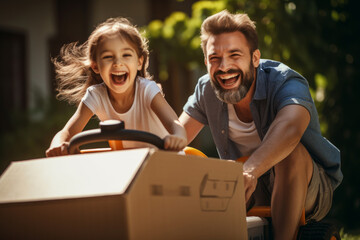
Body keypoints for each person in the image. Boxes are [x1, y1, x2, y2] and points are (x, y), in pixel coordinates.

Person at [179, 10, 342, 240]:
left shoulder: (285, 81)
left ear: (255, 58)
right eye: (215, 58)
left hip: (306, 185)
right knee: (181, 155)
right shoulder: (206, 88)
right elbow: (175, 137)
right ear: (206, 61)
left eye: (235, 55)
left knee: (290, 152)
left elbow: (291, 129)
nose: (224, 66)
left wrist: (249, 172)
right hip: (245, 187)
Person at [46, 17, 187, 157]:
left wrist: (178, 137)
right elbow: (67, 132)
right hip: (131, 164)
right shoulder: (96, 95)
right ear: (95, 66)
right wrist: (57, 144)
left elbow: (174, 123)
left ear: (139, 62)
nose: (118, 63)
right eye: (108, 57)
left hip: (167, 160)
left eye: (126, 55)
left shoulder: (147, 90)